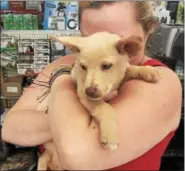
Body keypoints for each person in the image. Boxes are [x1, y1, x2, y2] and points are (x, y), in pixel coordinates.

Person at [2, 1, 182, 170]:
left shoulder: (162, 83)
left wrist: (60, 83)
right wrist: (72, 114)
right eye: (88, 39)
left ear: (149, 29)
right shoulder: (65, 64)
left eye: (116, 40)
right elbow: (11, 128)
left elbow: (75, 153)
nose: (100, 46)